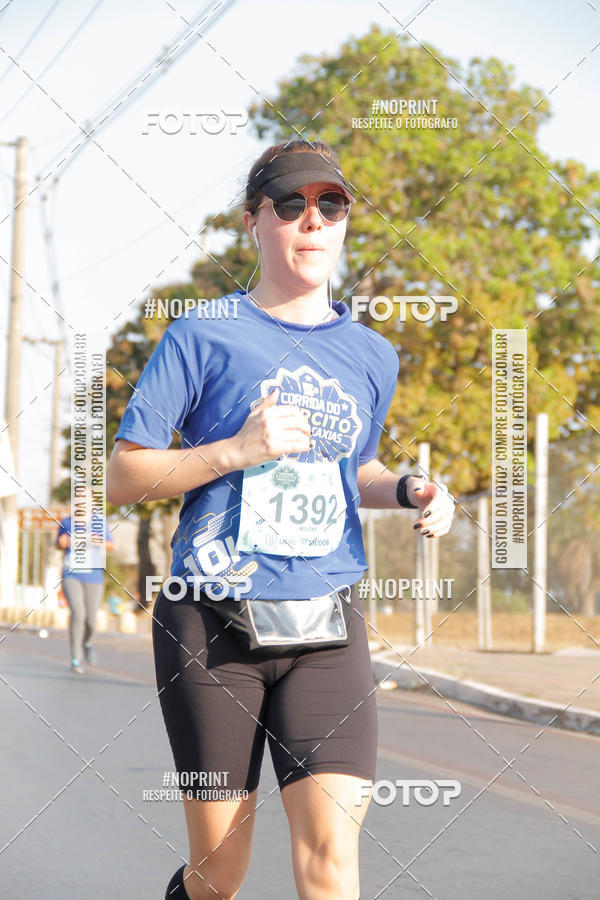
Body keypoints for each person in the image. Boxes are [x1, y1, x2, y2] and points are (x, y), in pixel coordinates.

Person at [107, 139, 455, 900]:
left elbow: (351, 467)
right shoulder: (202, 334)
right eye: (291, 204)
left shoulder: (371, 354)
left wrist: (409, 488)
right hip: (211, 623)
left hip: (327, 624)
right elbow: (121, 476)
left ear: (345, 223)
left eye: (331, 205)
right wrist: (235, 449)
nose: (312, 219)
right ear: (252, 222)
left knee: (331, 859)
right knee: (220, 869)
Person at [57, 500, 114, 673]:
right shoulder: (67, 522)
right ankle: (76, 657)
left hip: (94, 576)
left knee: (90, 620)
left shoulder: (99, 522)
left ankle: (87, 642)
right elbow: (60, 543)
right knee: (78, 612)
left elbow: (111, 545)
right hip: (71, 574)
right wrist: (71, 540)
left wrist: (98, 542)